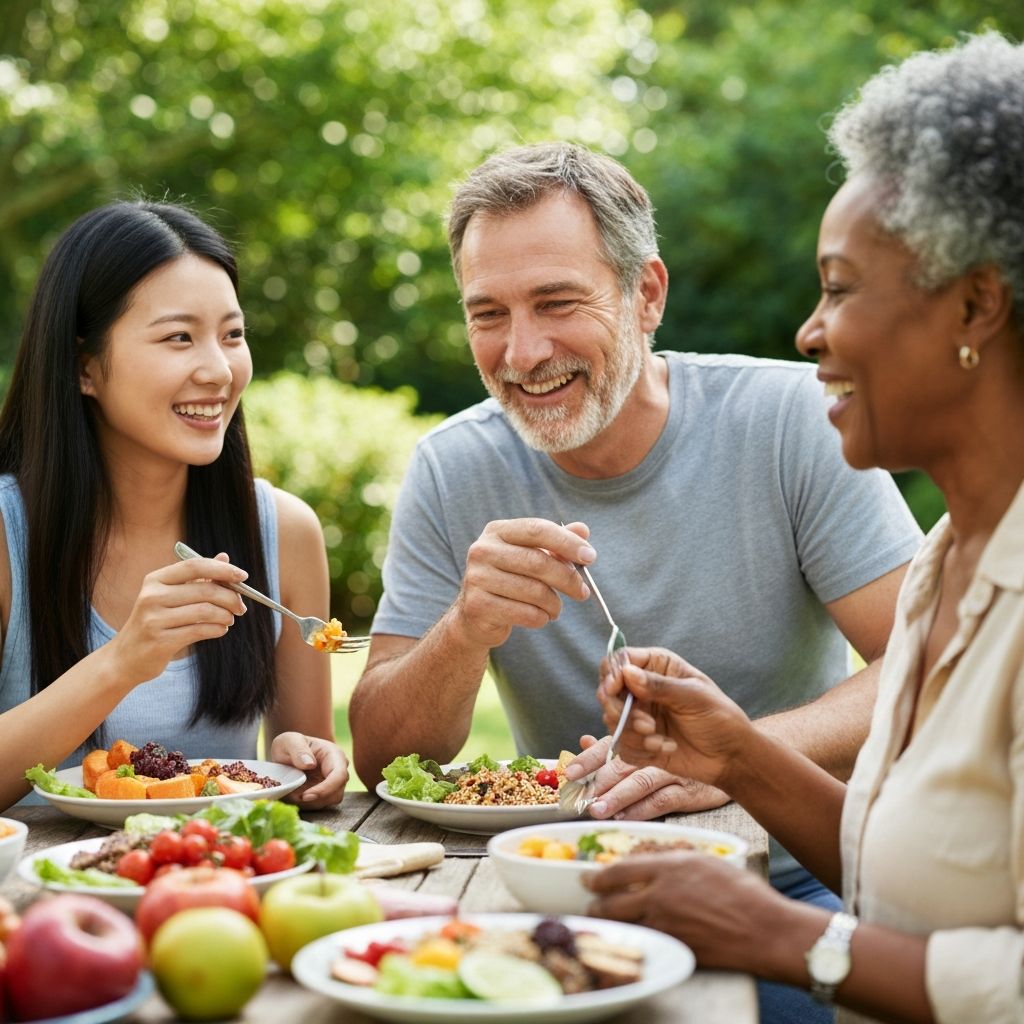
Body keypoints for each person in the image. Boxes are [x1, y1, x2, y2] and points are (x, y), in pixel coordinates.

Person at [349, 143, 921, 1020]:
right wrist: (463, 629)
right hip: (550, 891)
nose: (522, 351)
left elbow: (927, 667)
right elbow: (386, 758)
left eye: (557, 303)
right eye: (487, 314)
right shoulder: (451, 467)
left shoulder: (789, 420)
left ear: (645, 293)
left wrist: (738, 759)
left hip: (789, 882)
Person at [584, 31, 1024, 1024]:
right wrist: (735, 754)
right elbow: (911, 876)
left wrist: (783, 937)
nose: (807, 331)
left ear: (975, 304)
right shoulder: (948, 562)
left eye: (838, 286)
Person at [0, 200, 349, 811]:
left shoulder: (284, 532)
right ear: (85, 367)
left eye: (232, 335)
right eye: (178, 337)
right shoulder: (8, 536)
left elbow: (300, 766)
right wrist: (123, 660)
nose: (218, 369)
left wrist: (301, 755)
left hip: (211, 888)